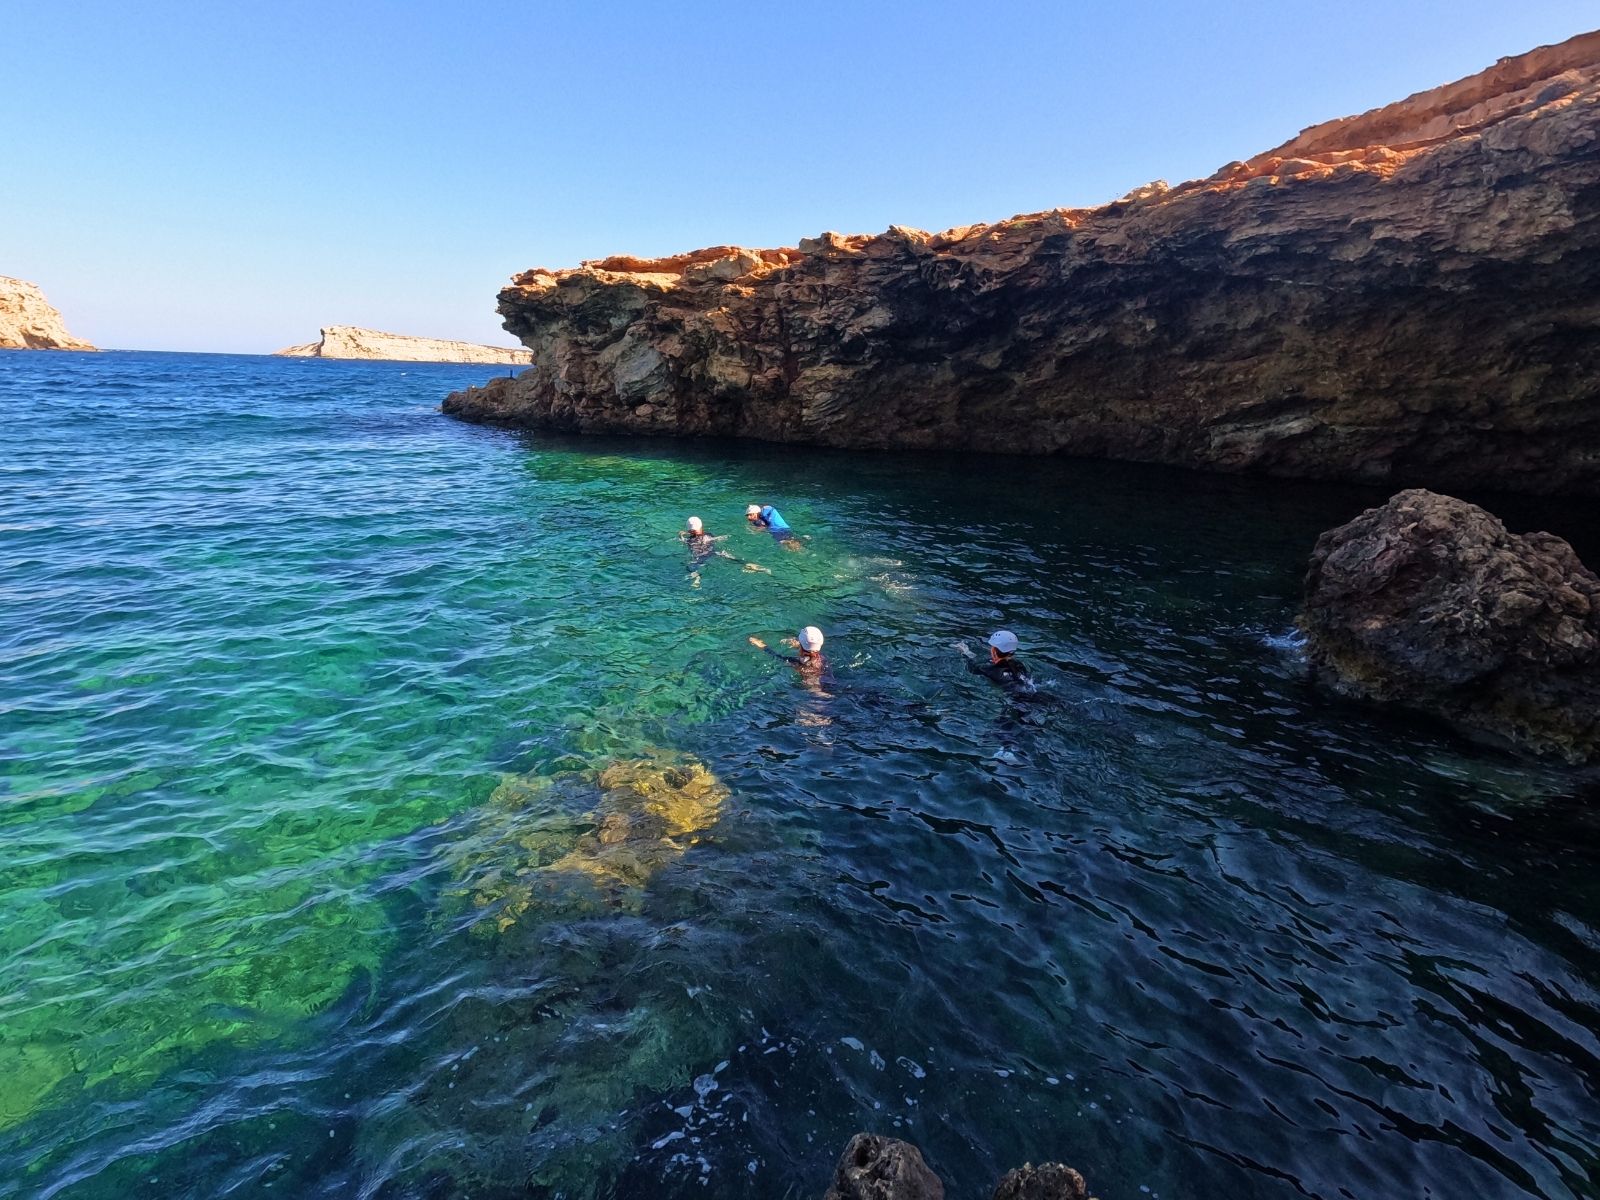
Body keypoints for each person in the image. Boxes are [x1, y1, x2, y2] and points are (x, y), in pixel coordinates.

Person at [954, 630, 1036, 696]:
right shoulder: (1019, 665)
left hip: (1016, 701)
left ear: (994, 651)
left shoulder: (989, 670)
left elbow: (971, 668)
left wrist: (965, 652)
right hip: (1031, 693)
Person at [749, 625, 827, 679]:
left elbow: (774, 655)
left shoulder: (797, 663)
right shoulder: (822, 659)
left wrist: (759, 644)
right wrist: (799, 644)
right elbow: (809, 650)